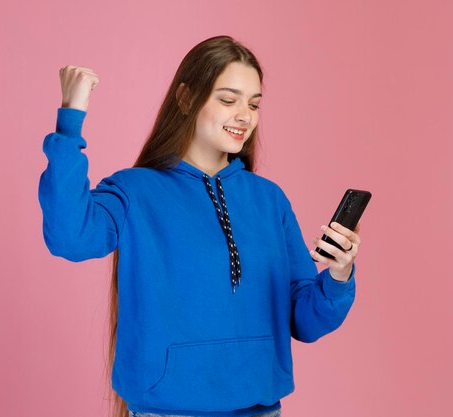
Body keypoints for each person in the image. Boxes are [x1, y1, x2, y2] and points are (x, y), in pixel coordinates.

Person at [38, 35, 362, 417]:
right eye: (228, 100)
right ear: (186, 98)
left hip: (261, 408)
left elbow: (305, 322)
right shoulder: (135, 189)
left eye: (254, 104)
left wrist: (339, 276)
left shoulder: (269, 199)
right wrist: (70, 119)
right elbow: (69, 237)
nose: (245, 116)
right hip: (167, 410)